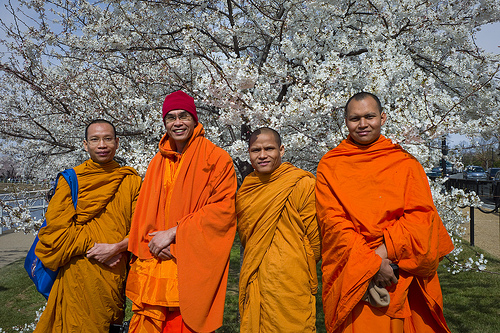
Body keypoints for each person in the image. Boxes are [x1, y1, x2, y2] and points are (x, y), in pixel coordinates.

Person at [315, 92, 454, 333]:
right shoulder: (331, 164)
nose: (362, 124)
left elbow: (421, 218)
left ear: (383, 118)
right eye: (354, 118)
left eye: (369, 116)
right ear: (345, 121)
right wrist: (370, 263)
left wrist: (381, 256)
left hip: (398, 269)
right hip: (354, 269)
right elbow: (333, 222)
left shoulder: (404, 163)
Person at [126, 90, 237, 332]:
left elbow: (223, 210)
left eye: (184, 116)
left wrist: (175, 234)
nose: (177, 123)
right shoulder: (158, 160)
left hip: (187, 259)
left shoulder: (216, 159)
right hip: (155, 256)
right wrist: (153, 241)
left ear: (195, 120)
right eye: (171, 117)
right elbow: (145, 212)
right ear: (164, 122)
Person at [34, 119, 142, 332]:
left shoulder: (130, 180)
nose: (102, 145)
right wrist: (96, 246)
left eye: (108, 139)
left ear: (117, 142)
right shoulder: (71, 180)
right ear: (85, 145)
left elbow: (142, 228)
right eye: (95, 139)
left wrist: (115, 248)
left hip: (114, 274)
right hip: (78, 274)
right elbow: (54, 234)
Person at [236, 127, 321, 332]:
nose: (262, 155)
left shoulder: (302, 184)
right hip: (255, 277)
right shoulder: (247, 188)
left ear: (281, 150)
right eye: (256, 150)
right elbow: (247, 234)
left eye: (269, 149)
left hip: (291, 282)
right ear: (249, 153)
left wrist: (292, 263)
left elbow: (316, 240)